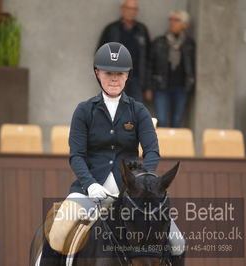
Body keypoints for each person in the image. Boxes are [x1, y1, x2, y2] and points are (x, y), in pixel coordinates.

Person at [41, 43, 184, 265]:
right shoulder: (84, 110)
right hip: (88, 192)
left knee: (177, 241)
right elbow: (76, 156)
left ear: (127, 76)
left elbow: (152, 151)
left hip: (131, 196)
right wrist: (90, 184)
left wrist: (143, 183)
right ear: (98, 74)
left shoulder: (138, 111)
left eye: (120, 74)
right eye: (109, 73)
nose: (114, 79)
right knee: (58, 232)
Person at [148, 10, 196, 128]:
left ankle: (175, 146)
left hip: (181, 87)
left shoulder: (189, 43)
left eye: (176, 20)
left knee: (177, 121)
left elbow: (193, 64)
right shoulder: (159, 41)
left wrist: (192, 78)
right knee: (162, 120)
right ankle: (163, 146)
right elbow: (149, 65)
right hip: (161, 87)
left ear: (185, 24)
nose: (172, 23)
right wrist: (148, 87)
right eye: (171, 20)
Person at [97, 0, 150, 103]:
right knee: (115, 110)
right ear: (122, 9)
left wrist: (147, 84)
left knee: (135, 111)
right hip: (115, 78)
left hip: (136, 79)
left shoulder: (142, 30)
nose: (131, 11)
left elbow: (148, 58)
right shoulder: (112, 29)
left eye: (134, 9)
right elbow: (100, 54)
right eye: (129, 8)